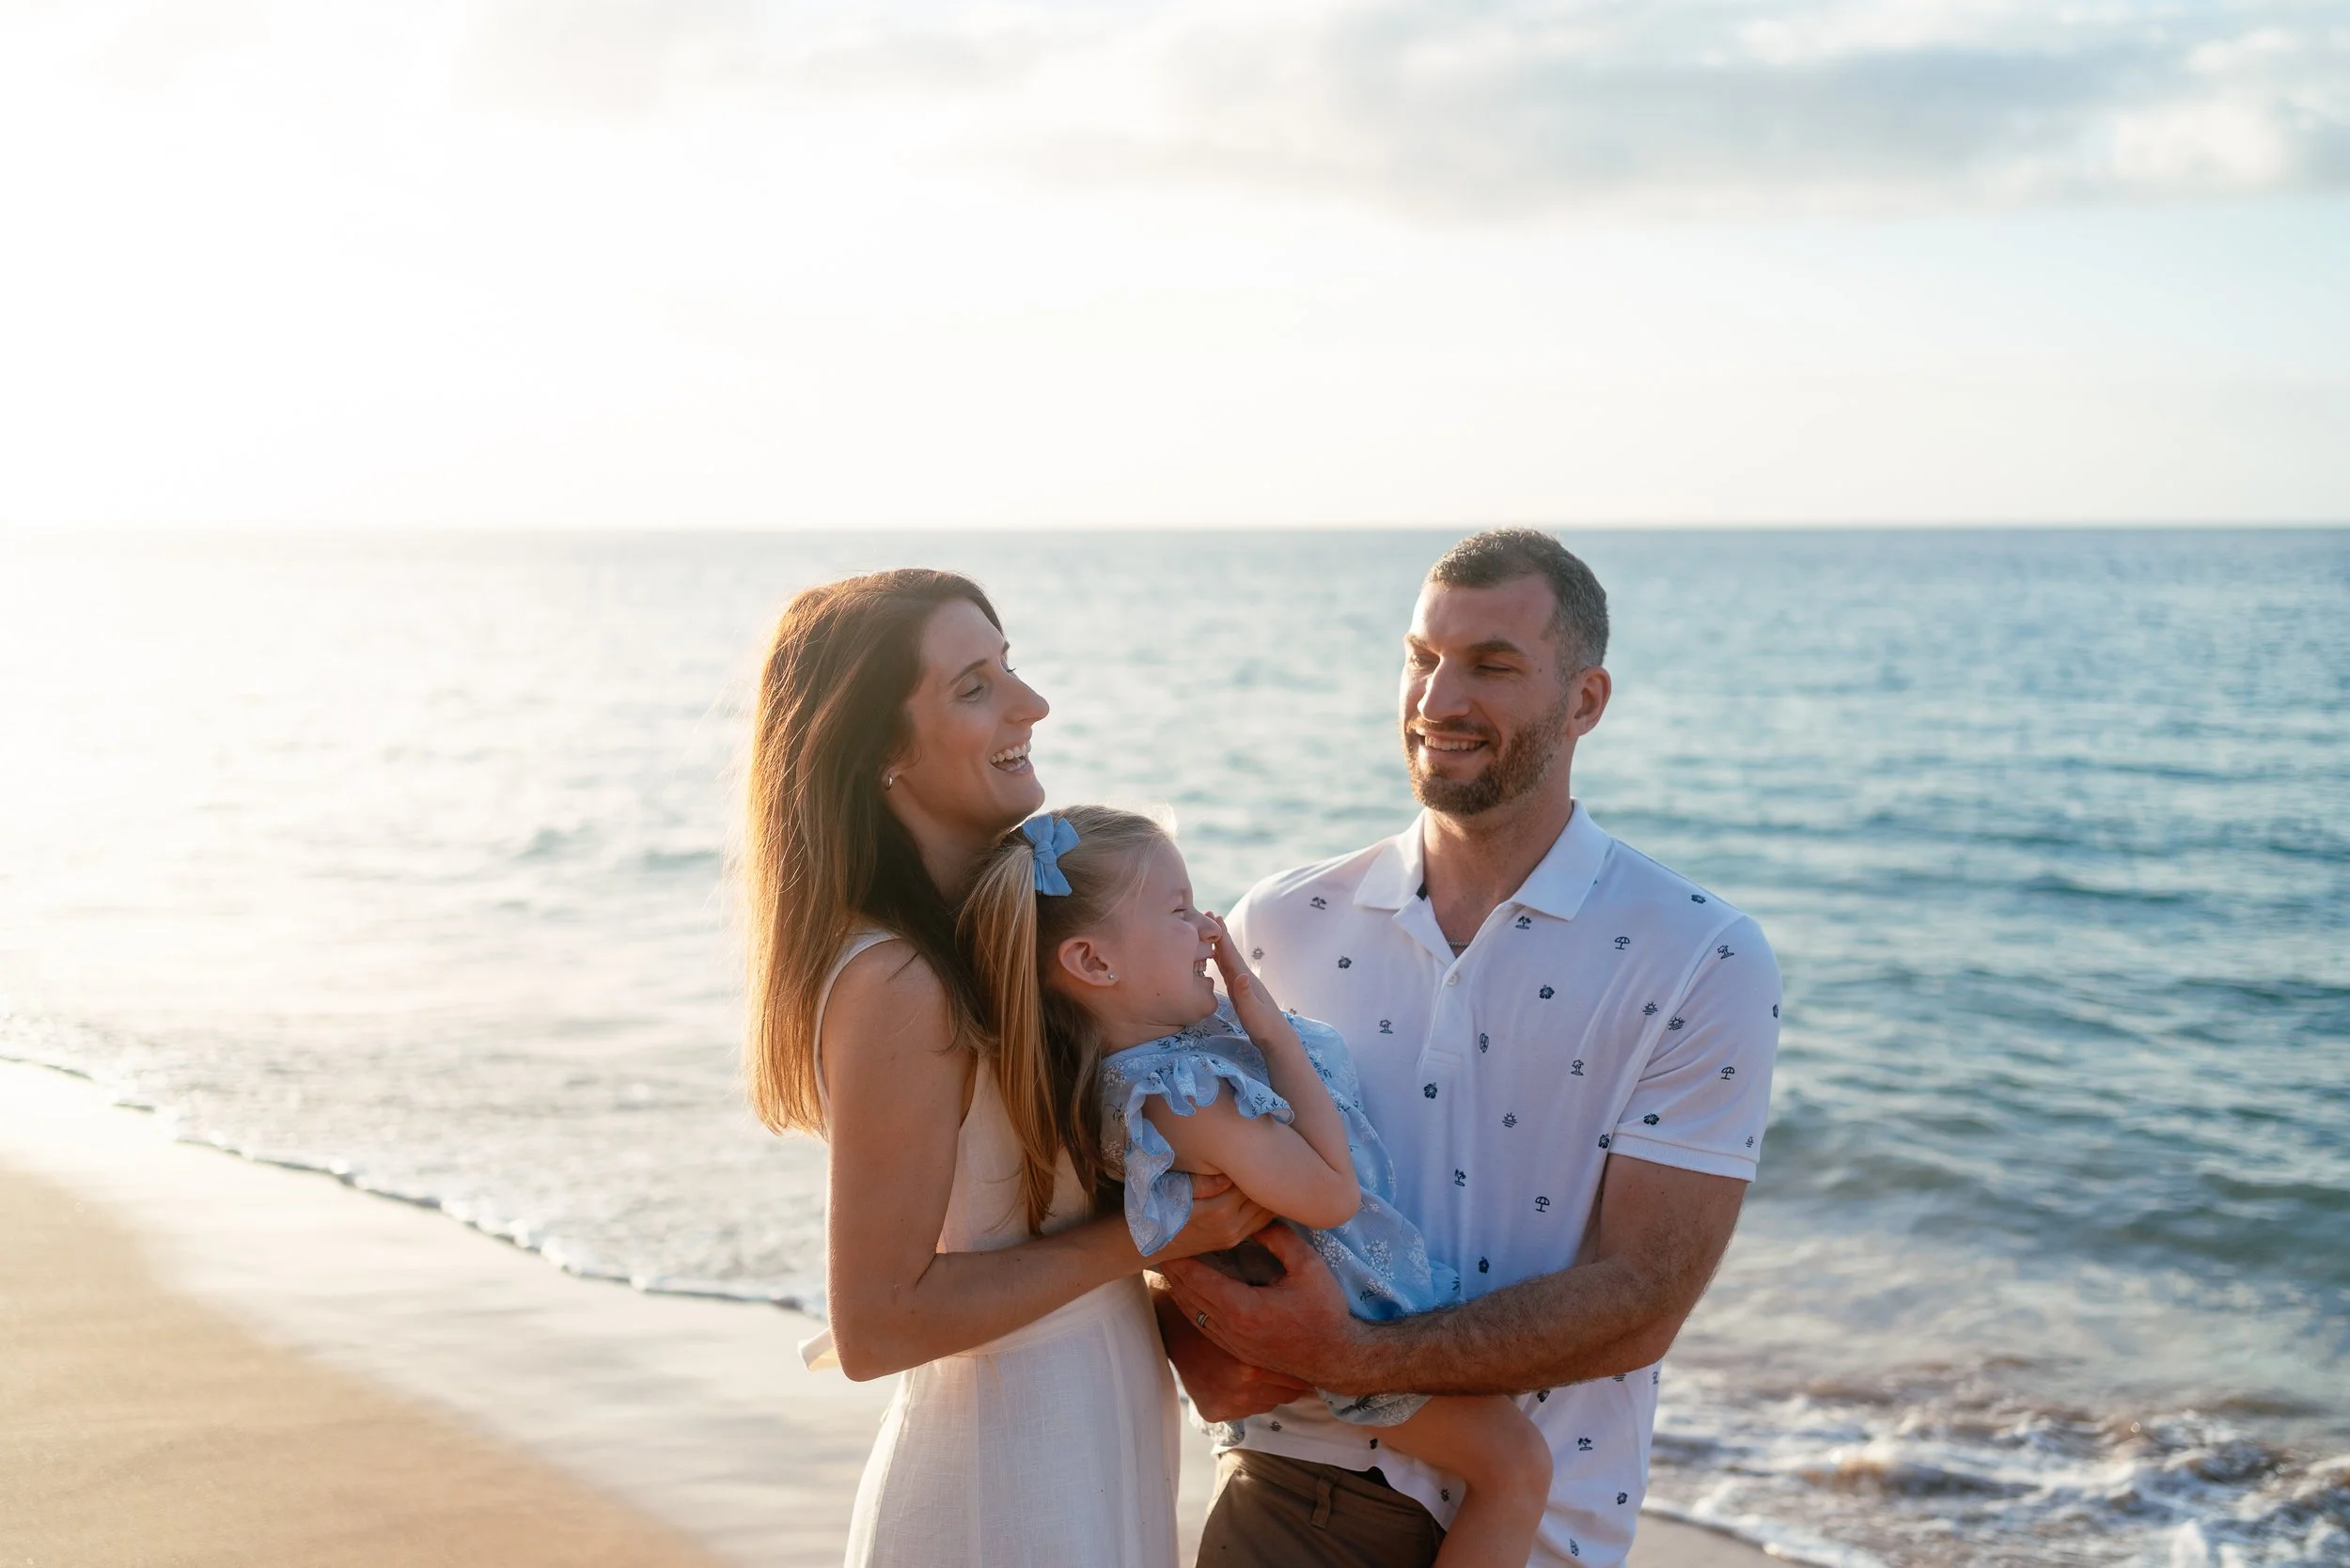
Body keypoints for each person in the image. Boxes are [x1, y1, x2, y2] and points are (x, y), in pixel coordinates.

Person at [1157, 530, 1782, 1567]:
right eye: (1420, 656)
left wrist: (1351, 1354)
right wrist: (1194, 1334)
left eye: (1491, 666)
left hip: (1542, 1527)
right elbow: (1179, 1179)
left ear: (1584, 702)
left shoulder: (1701, 956)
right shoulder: (1280, 923)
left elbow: (1642, 1299)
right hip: (1288, 1501)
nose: (1437, 699)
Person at [742, 570, 1271, 1568]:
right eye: (974, 686)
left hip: (1084, 1424)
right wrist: (1150, 1232)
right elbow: (878, 1322)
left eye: (1010, 666)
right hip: (1006, 1473)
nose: (1031, 704)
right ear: (881, 752)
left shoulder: (995, 943)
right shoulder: (900, 978)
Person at [958, 805, 1554, 1565]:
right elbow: (1333, 1194)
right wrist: (1270, 1030)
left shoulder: (1160, 1070)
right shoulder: (1184, 1094)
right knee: (1515, 1468)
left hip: (1349, 1306)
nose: (1208, 927)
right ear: (1095, 964)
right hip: (1354, 1319)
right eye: (1177, 911)